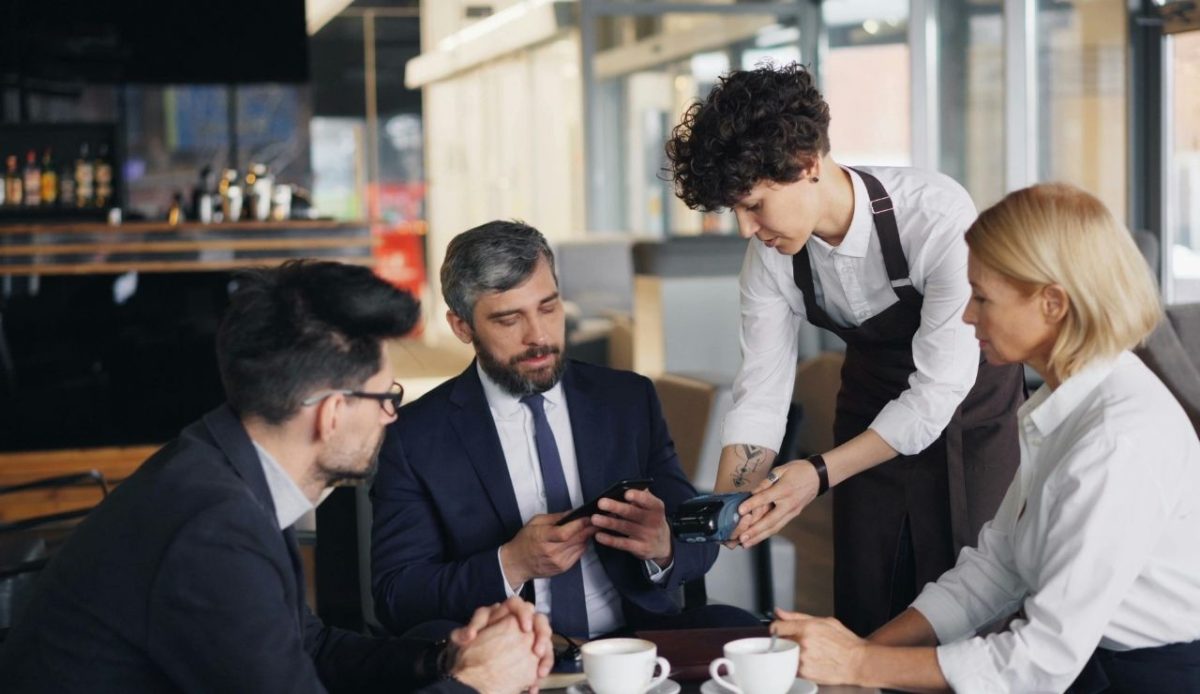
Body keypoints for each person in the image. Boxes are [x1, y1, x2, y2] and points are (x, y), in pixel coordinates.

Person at [0, 260, 553, 694]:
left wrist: (445, 657)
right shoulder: (212, 530)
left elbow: (304, 646)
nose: (392, 415)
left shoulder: (225, 462)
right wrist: (476, 685)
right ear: (331, 412)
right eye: (387, 397)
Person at [770, 183, 1200, 692]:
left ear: (1052, 303)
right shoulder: (1062, 405)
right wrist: (861, 653)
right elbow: (996, 569)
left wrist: (860, 666)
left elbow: (1040, 659)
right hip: (1092, 665)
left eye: (982, 297)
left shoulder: (1117, 438)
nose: (967, 315)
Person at [664, 62, 1025, 636]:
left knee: (970, 604)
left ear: (808, 164)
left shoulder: (934, 218)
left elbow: (935, 395)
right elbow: (761, 392)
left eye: (754, 204)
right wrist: (733, 505)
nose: (745, 229)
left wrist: (814, 474)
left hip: (966, 416)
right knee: (868, 597)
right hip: (869, 412)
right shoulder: (771, 258)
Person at [371, 221, 758, 644]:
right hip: (508, 656)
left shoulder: (627, 400)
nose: (538, 336)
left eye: (549, 307)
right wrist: (511, 564)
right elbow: (398, 596)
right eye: (508, 319)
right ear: (462, 327)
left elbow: (696, 535)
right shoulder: (415, 437)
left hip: (636, 643)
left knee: (749, 636)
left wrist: (663, 543)